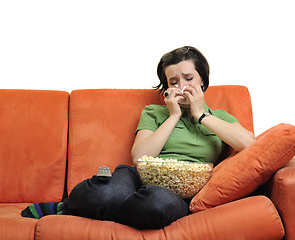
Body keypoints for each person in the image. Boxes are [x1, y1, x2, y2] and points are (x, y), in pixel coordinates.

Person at [21, 46, 256, 229]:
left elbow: (250, 145)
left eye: (189, 78)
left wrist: (200, 114)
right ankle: (70, 205)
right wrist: (173, 116)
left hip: (179, 191)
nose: (182, 87)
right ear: (166, 87)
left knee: (156, 205)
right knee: (102, 192)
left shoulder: (220, 117)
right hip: (138, 178)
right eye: (174, 82)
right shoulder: (155, 113)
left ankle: (98, 209)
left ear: (203, 80)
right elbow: (141, 157)